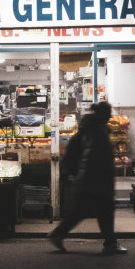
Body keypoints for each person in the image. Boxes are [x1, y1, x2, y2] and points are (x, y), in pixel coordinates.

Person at [49, 101, 128, 255]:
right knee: (102, 211)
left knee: (84, 211)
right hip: (94, 180)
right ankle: (110, 243)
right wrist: (96, 178)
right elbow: (92, 157)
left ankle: (59, 234)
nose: (110, 116)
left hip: (91, 179)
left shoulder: (92, 128)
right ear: (103, 114)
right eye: (108, 113)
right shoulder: (96, 131)